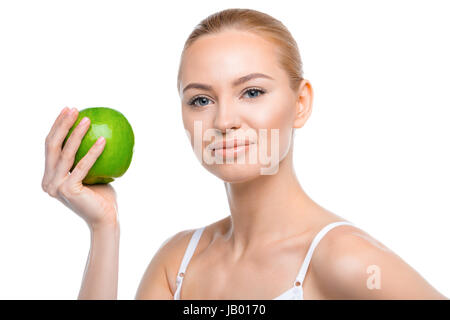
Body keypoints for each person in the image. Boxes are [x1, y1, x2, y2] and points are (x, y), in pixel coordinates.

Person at [42, 8, 447, 300]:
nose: (224, 119)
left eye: (252, 92)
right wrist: (104, 230)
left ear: (300, 103)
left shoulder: (345, 259)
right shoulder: (176, 264)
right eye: (200, 99)